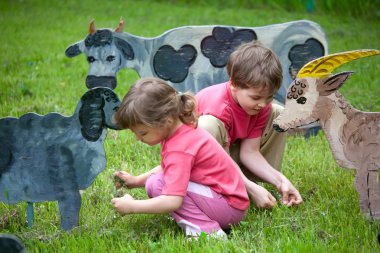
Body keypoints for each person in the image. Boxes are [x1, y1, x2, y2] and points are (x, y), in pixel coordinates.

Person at [111, 77, 249, 239]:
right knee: (155, 183)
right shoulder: (179, 130)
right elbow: (170, 168)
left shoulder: (180, 147)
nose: (138, 139)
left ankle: (207, 232)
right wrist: (136, 181)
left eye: (142, 133)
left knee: (160, 185)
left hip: (228, 208)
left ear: (166, 121)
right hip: (228, 202)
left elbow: (173, 200)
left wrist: (132, 206)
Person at [196, 41, 303, 209]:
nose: (262, 104)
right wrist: (251, 190)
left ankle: (246, 181)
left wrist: (281, 181)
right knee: (207, 125)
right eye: (255, 98)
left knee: (277, 112)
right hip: (199, 163)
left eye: (268, 97)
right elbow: (221, 159)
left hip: (228, 156)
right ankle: (228, 187)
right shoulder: (218, 107)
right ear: (233, 84)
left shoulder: (260, 106)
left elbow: (249, 152)